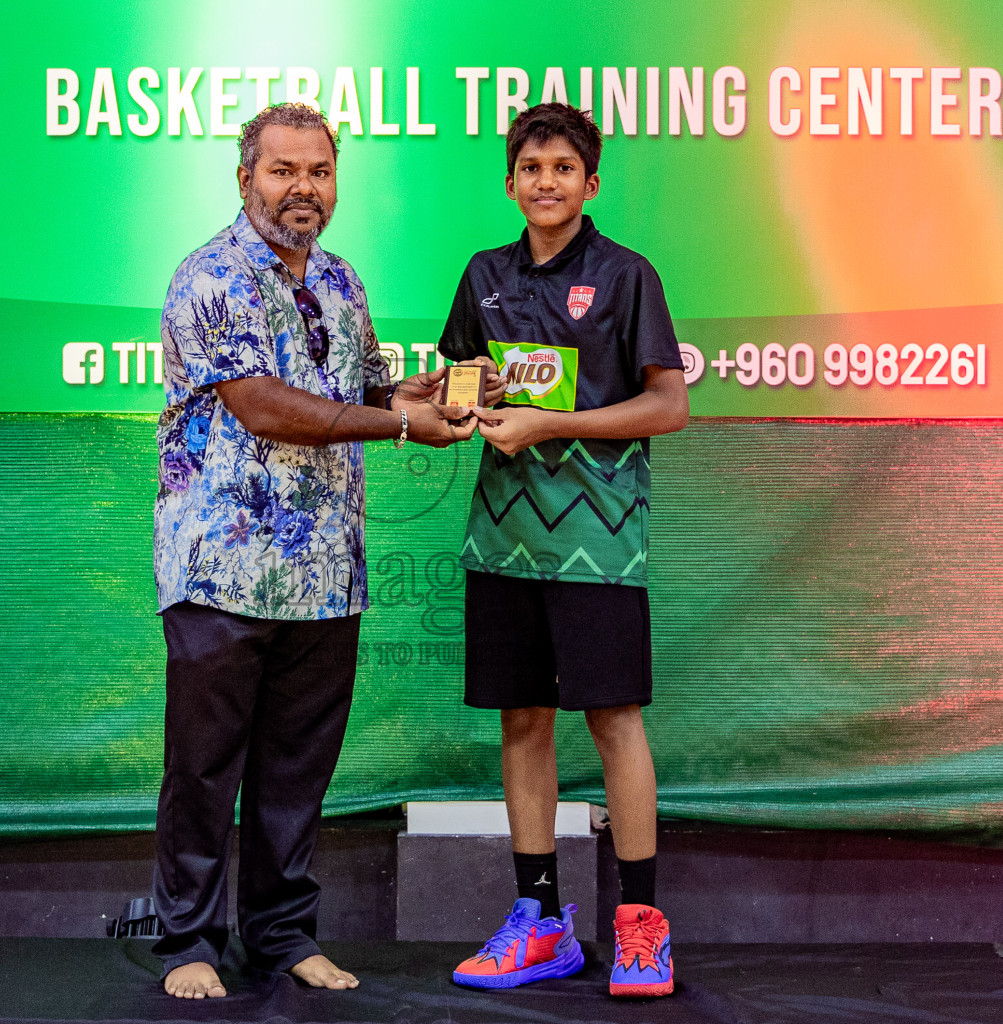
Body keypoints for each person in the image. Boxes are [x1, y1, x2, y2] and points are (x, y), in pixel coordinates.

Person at [151, 103, 492, 1000]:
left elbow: (362, 385)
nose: (303, 188)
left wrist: (423, 394)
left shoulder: (340, 278)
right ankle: (187, 942)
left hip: (324, 576)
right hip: (219, 568)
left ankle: (282, 938)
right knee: (203, 769)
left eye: (319, 172)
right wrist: (402, 425)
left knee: (296, 773)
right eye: (282, 171)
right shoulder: (210, 276)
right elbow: (265, 407)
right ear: (244, 178)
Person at [438, 103, 689, 998]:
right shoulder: (484, 275)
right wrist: (457, 401)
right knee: (521, 722)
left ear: (591, 183)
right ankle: (541, 923)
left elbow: (668, 406)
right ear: (510, 182)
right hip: (503, 539)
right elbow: (458, 388)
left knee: (615, 721)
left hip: (598, 541)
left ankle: (640, 928)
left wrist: (556, 423)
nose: (545, 181)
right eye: (530, 166)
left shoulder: (627, 277)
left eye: (563, 167)